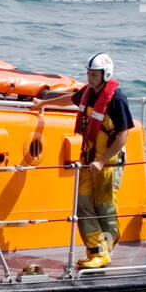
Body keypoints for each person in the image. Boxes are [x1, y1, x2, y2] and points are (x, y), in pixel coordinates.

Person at [32, 52, 134, 269]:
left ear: (105, 75)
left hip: (108, 163)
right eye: (88, 73)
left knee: (104, 206)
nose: (90, 78)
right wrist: (43, 102)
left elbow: (123, 134)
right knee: (83, 204)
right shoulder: (88, 93)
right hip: (89, 159)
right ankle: (96, 251)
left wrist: (102, 160)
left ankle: (107, 246)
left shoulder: (117, 99)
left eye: (94, 74)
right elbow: (71, 98)